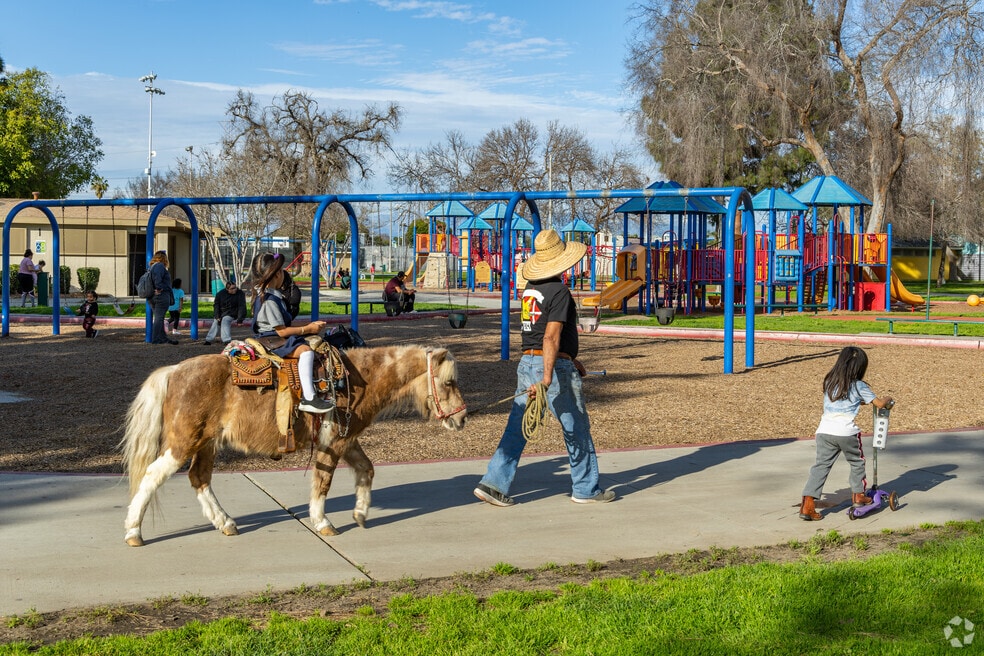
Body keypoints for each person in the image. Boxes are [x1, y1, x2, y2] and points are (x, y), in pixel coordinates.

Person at [474, 229, 614, 507]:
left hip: (528, 362)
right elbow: (550, 335)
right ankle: (586, 488)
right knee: (576, 427)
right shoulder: (560, 292)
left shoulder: (530, 291)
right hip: (550, 368)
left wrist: (569, 358)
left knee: (518, 426)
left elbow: (538, 337)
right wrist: (550, 373)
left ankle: (493, 483)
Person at [799, 346, 894, 521]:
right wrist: (888, 398)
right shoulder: (859, 386)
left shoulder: (830, 381)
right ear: (860, 367)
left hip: (824, 431)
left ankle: (807, 505)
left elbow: (841, 402)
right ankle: (858, 496)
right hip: (846, 432)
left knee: (821, 466)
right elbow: (879, 404)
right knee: (857, 462)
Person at [250, 252, 333, 414]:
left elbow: (283, 324)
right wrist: (308, 329)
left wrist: (310, 325)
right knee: (306, 351)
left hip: (272, 335)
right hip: (271, 339)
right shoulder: (270, 301)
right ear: (275, 275)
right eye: (280, 271)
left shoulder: (270, 296)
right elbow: (281, 331)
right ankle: (308, 398)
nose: (283, 275)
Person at [203, 281, 247, 346]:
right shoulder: (220, 294)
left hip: (233, 312)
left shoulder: (240, 293)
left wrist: (240, 319)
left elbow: (242, 306)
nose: (235, 290)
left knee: (225, 320)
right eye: (232, 289)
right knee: (216, 322)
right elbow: (216, 305)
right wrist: (217, 316)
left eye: (235, 288)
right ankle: (208, 340)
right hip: (222, 312)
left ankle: (226, 340)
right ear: (227, 289)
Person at [148, 250, 177, 345]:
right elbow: (158, 279)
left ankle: (162, 338)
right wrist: (159, 288)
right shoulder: (159, 266)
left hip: (153, 296)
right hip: (161, 296)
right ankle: (156, 339)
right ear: (164, 258)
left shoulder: (152, 267)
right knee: (159, 318)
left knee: (159, 317)